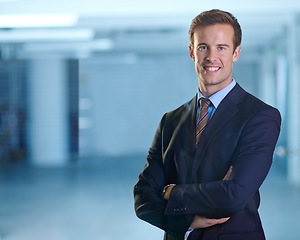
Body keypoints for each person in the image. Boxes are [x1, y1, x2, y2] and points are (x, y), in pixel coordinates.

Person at [134, 9, 281, 240]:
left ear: (236, 53)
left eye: (221, 47)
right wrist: (186, 221)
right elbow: (142, 198)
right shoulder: (170, 121)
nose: (211, 57)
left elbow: (234, 195)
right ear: (192, 52)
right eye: (203, 47)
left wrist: (169, 192)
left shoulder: (260, 116)